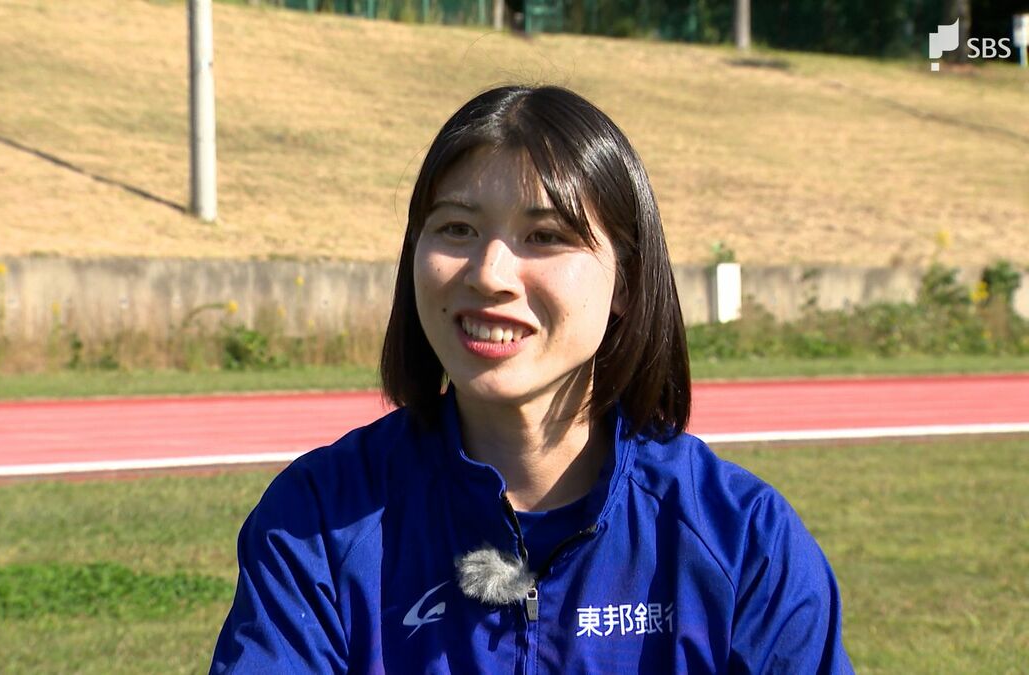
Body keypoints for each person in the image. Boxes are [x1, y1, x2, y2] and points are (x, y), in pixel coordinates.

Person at [209, 85, 853, 673]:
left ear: (626, 282)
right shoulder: (316, 521)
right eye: (456, 228)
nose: (489, 274)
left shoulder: (743, 539)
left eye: (544, 236)